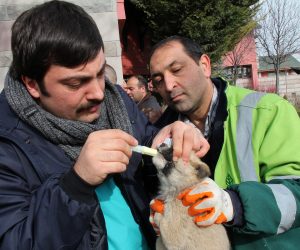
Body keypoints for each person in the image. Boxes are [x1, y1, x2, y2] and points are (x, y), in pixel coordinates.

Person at [0, 4, 209, 249]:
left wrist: (166, 144)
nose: (99, 93)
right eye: (76, 83)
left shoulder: (116, 100)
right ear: (32, 84)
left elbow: (144, 159)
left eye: (100, 73)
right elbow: (15, 242)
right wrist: (76, 184)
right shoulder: (7, 143)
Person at [149, 35, 300, 249]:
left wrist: (234, 204)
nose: (169, 85)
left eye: (176, 70)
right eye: (158, 80)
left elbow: (296, 194)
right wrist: (163, 213)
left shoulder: (269, 111)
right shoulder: (160, 136)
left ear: (204, 65)